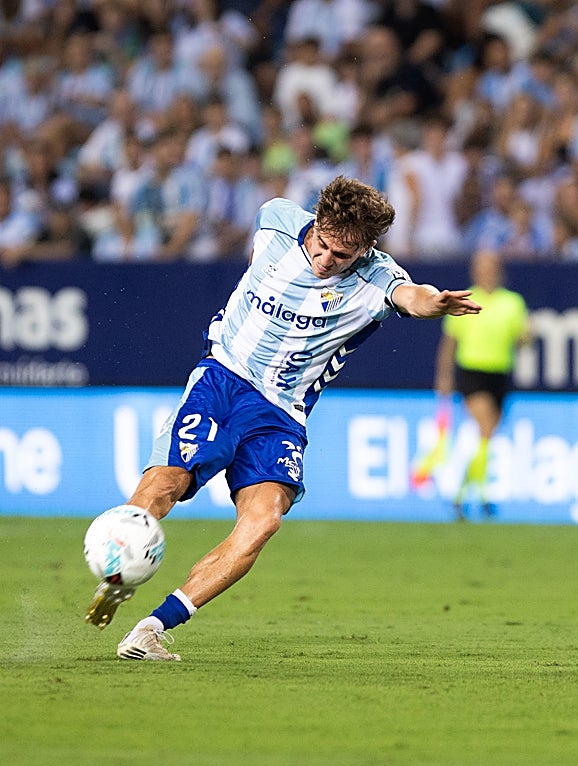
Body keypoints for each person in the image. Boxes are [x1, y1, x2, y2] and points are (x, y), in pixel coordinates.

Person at [84, 176, 481, 660]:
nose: (328, 261)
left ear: (368, 248)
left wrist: (432, 304)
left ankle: (151, 628)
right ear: (316, 221)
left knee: (264, 521)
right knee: (165, 484)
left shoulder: (378, 276)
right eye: (325, 246)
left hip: (282, 413)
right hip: (223, 380)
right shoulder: (275, 219)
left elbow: (410, 296)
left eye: (344, 255)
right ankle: (120, 569)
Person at [434, 249, 529, 520]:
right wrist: (444, 377)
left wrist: (527, 337)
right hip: (472, 371)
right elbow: (449, 343)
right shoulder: (464, 299)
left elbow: (521, 339)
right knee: (485, 428)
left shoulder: (512, 303)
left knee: (487, 436)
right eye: (481, 266)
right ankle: (477, 495)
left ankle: (465, 494)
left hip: (499, 372)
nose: (486, 271)